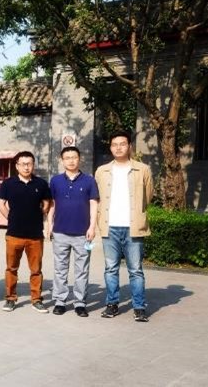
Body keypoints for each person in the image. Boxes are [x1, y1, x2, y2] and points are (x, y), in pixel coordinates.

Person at [95, 130, 153, 322]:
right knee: (110, 268)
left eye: (122, 144)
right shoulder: (102, 171)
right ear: (110, 147)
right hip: (109, 227)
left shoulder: (142, 169)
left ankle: (139, 307)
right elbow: (98, 198)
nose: (118, 147)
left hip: (133, 227)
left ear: (129, 146)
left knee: (135, 269)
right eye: (114, 144)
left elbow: (148, 196)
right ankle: (112, 304)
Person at [0, 151, 52, 313]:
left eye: (29, 164)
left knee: (36, 270)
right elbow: (1, 204)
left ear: (33, 165)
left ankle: (36, 299)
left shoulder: (41, 183)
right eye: (23, 164)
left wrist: (41, 216)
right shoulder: (8, 183)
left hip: (35, 235)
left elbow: (47, 204)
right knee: (11, 268)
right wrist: (11, 218)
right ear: (17, 166)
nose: (26, 167)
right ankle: (10, 298)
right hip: (14, 234)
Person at [48, 146, 99, 317]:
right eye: (67, 158)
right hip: (60, 232)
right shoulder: (55, 181)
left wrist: (92, 227)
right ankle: (60, 301)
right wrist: (49, 225)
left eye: (74, 157)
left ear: (80, 159)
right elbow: (52, 204)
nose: (71, 160)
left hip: (82, 234)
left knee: (82, 270)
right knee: (60, 269)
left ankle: (80, 303)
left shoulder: (89, 181)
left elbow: (94, 204)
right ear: (62, 161)